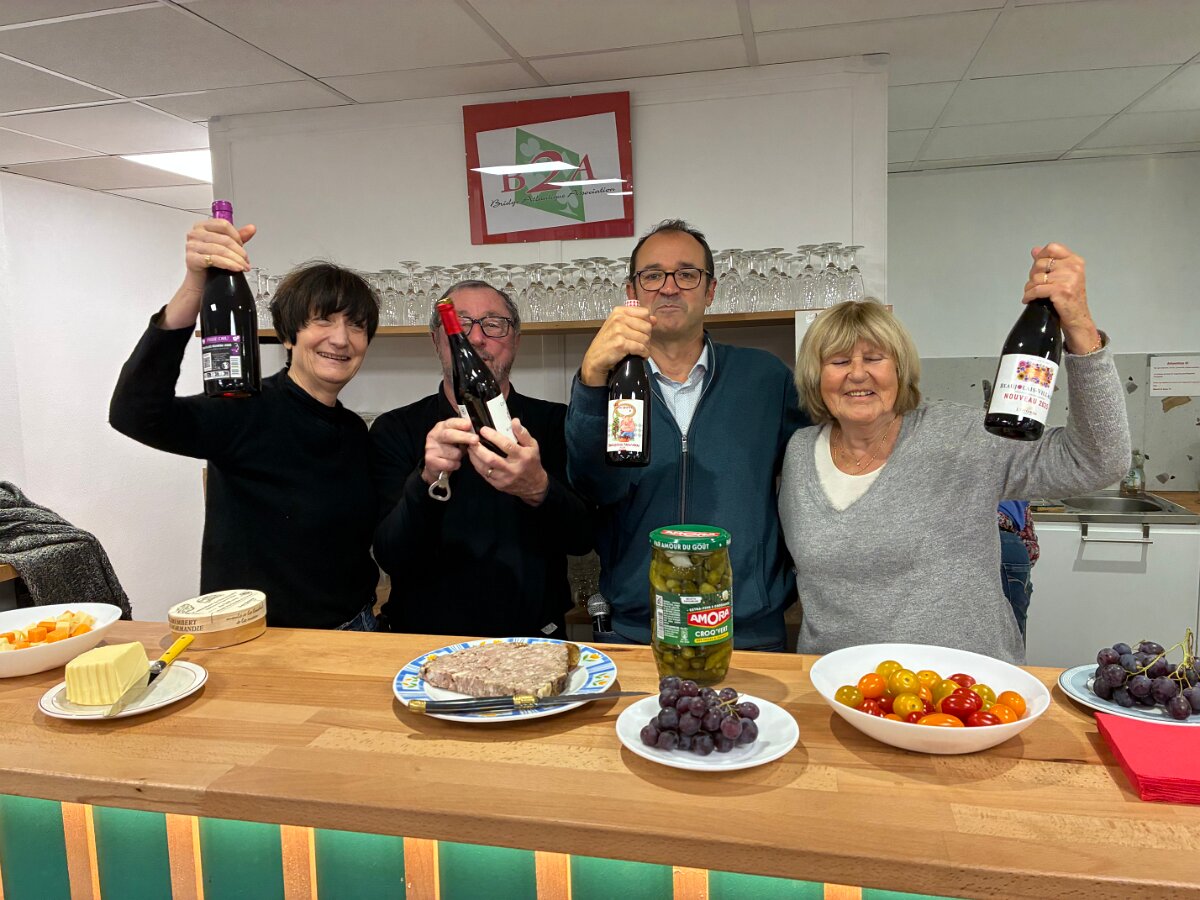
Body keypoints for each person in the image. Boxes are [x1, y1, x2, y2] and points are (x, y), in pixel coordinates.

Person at [779, 243, 1130, 664]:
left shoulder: (963, 435)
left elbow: (1096, 461)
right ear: (816, 376)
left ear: (900, 369)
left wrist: (1081, 329)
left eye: (874, 358)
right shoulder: (800, 452)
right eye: (838, 361)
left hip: (961, 685)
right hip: (842, 683)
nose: (857, 373)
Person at [110, 217, 381, 630]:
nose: (341, 339)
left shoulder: (353, 430)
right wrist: (194, 287)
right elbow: (134, 412)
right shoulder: (245, 408)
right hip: (262, 640)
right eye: (324, 320)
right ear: (288, 335)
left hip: (356, 628)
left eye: (356, 325)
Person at [565, 219, 809, 650]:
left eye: (687, 274)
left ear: (710, 290)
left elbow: (814, 480)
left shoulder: (765, 378)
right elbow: (592, 487)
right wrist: (590, 380)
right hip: (639, 627)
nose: (669, 287)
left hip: (746, 627)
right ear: (632, 291)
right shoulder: (607, 382)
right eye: (653, 275)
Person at [370, 280, 593, 638]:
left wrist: (539, 489)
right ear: (436, 340)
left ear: (516, 340)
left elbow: (583, 539)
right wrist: (427, 479)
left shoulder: (555, 422)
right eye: (460, 325)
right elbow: (390, 555)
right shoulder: (395, 429)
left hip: (534, 638)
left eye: (493, 324)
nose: (475, 339)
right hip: (422, 640)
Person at [998, 500, 1038, 641]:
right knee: (1010, 637)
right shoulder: (1012, 487)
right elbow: (1031, 548)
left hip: (959, 545)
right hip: (1008, 545)